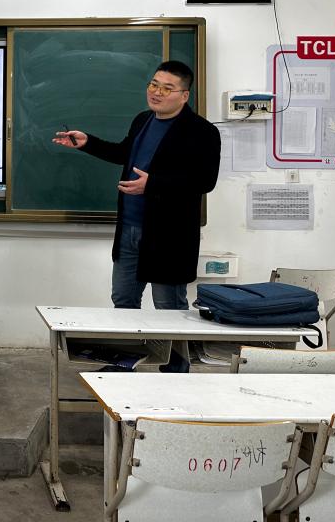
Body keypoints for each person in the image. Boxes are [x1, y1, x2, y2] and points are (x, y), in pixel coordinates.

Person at [53, 61, 220, 372]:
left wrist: (153, 184)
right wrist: (88, 143)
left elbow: (204, 181)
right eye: (153, 84)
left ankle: (176, 372)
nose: (156, 92)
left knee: (169, 306)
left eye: (167, 88)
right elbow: (124, 153)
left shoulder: (202, 132)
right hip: (130, 229)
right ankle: (124, 364)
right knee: (124, 300)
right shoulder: (143, 120)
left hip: (168, 236)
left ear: (184, 95)